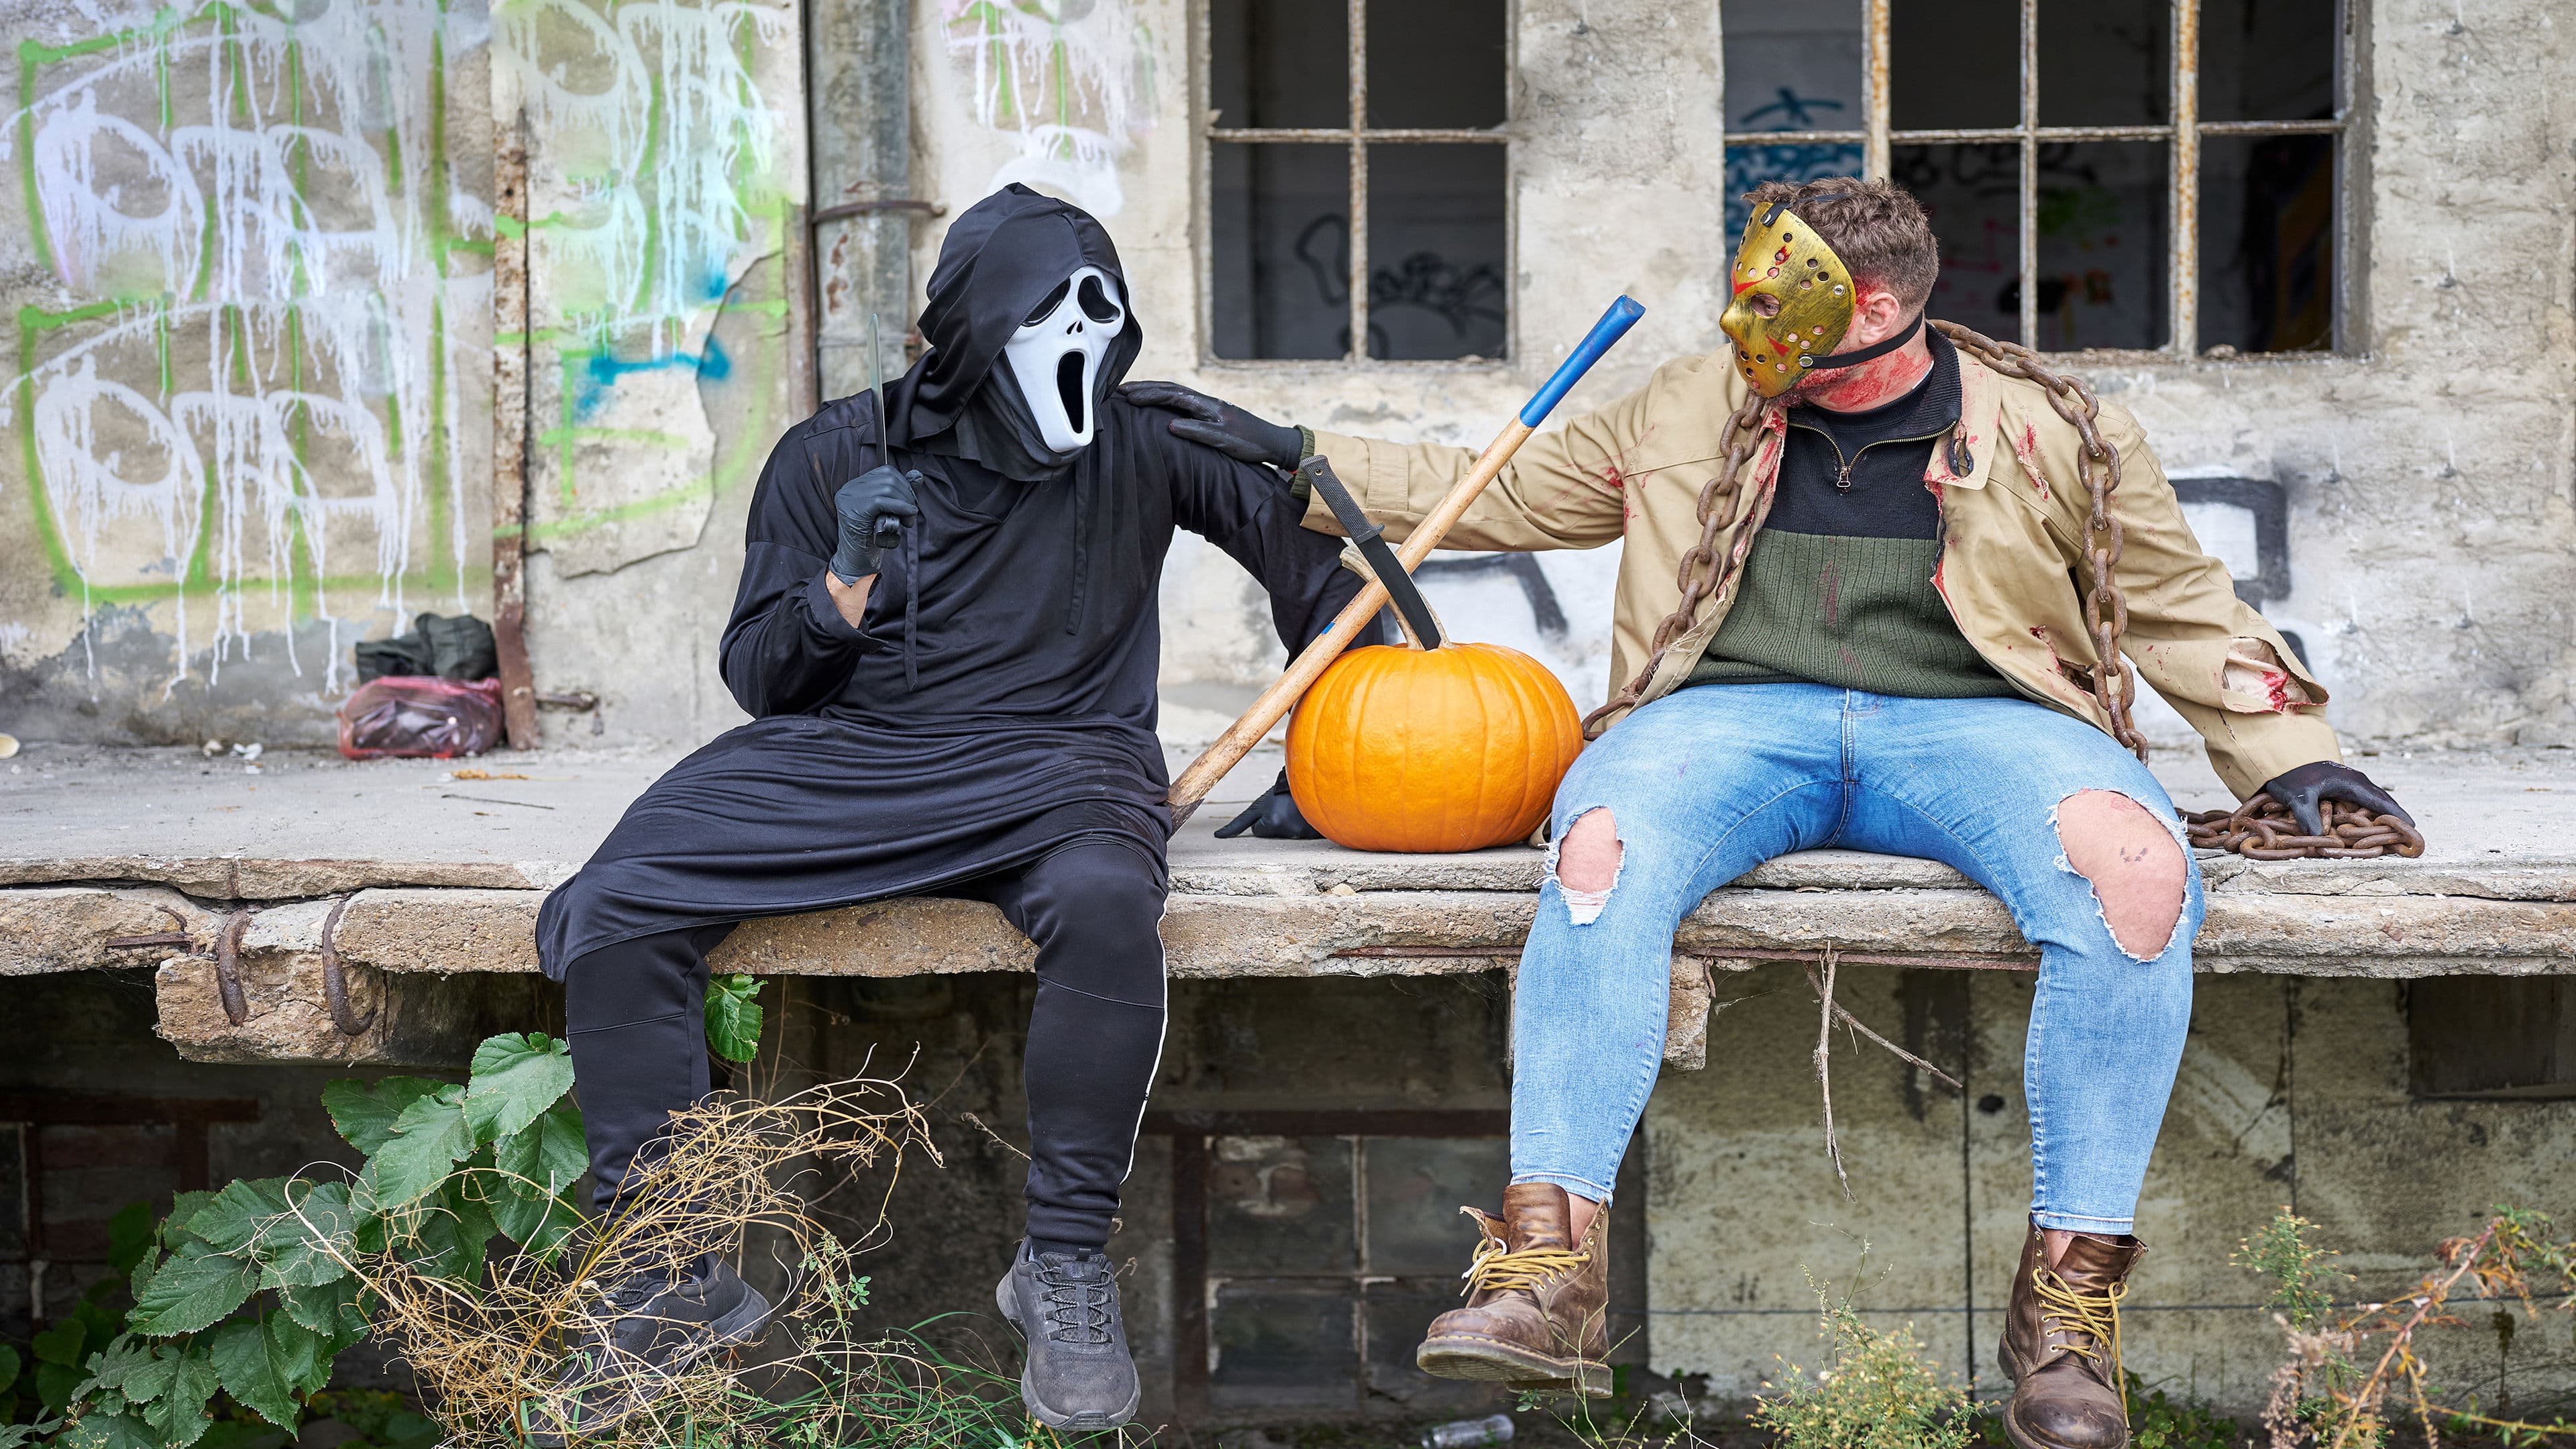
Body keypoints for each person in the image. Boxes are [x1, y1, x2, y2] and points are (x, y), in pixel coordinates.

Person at [1130, 177, 2411, 1449]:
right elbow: (1491, 490)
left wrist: (2286, 752)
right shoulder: (1693, 404)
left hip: (1981, 725)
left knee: (2139, 874)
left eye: (1781, 309)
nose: (1752, 335)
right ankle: (1548, 1272)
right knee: (1598, 850)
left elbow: (2182, 600)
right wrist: (1286, 452)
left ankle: (2066, 1317)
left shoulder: (2054, 429)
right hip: (1730, 720)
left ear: (1881, 308)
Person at [529, 184, 1364, 1438]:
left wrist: (1330, 747)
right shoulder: (833, 455)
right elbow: (763, 678)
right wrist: (845, 579)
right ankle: (667, 1263)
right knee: (620, 900)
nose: (1085, 349)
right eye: (1051, 324)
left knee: (1102, 902)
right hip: (854, 758)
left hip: (1066, 762)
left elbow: (1336, 590)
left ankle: (1065, 1263)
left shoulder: (1149, 440)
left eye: (1104, 319)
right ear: (976, 332)